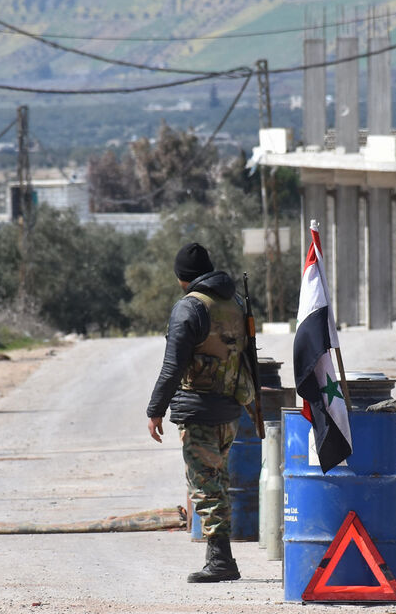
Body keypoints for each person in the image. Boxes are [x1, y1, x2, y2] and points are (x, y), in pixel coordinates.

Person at [146, 242, 254, 583]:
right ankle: (219, 557)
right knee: (217, 480)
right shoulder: (235, 302)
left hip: (200, 409)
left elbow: (172, 367)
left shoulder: (189, 308)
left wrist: (155, 411)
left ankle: (221, 561)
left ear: (182, 277)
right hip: (231, 409)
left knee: (205, 486)